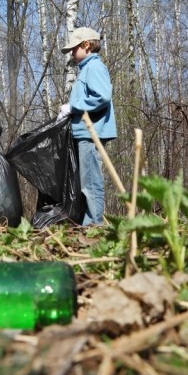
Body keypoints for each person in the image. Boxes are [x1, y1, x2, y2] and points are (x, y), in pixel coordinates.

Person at [58, 27, 117, 226]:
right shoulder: (87, 69)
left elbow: (102, 96)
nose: (72, 54)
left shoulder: (94, 67)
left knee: (91, 182)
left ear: (86, 45)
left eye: (74, 49)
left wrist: (73, 107)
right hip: (85, 133)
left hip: (92, 134)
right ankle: (90, 222)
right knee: (86, 181)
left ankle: (94, 226)